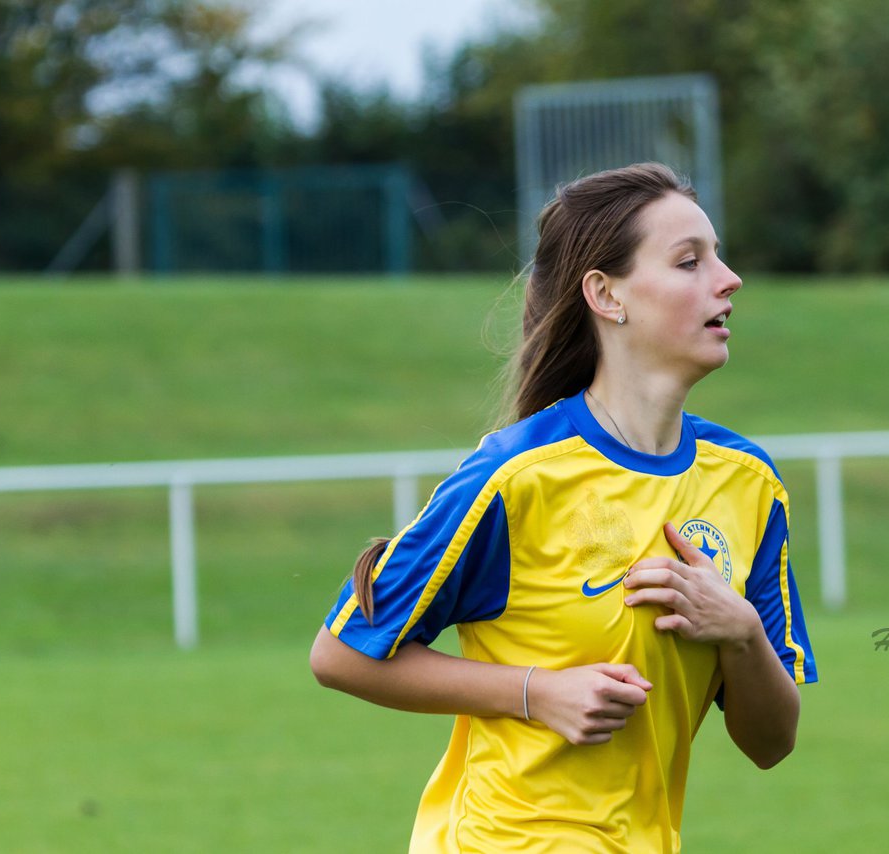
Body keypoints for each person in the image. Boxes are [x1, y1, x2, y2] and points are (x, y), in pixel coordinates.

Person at [309, 162, 817, 852]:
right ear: (607, 296)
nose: (728, 279)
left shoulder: (750, 485)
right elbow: (342, 654)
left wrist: (741, 631)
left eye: (719, 257)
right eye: (690, 261)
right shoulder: (515, 476)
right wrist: (536, 692)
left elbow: (771, 742)